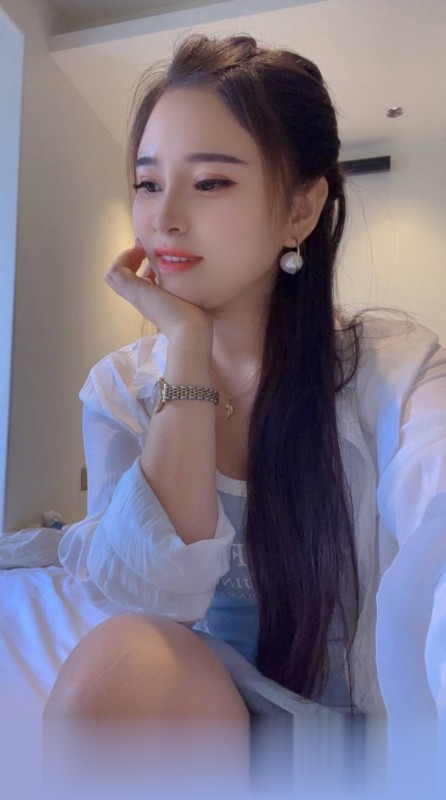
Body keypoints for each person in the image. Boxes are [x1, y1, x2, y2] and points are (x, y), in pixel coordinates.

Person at [43, 31, 446, 795]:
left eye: (210, 182)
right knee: (118, 662)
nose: (164, 219)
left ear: (301, 207)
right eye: (148, 183)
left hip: (356, 749)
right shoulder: (120, 388)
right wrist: (186, 348)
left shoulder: (390, 368)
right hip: (204, 717)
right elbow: (150, 599)